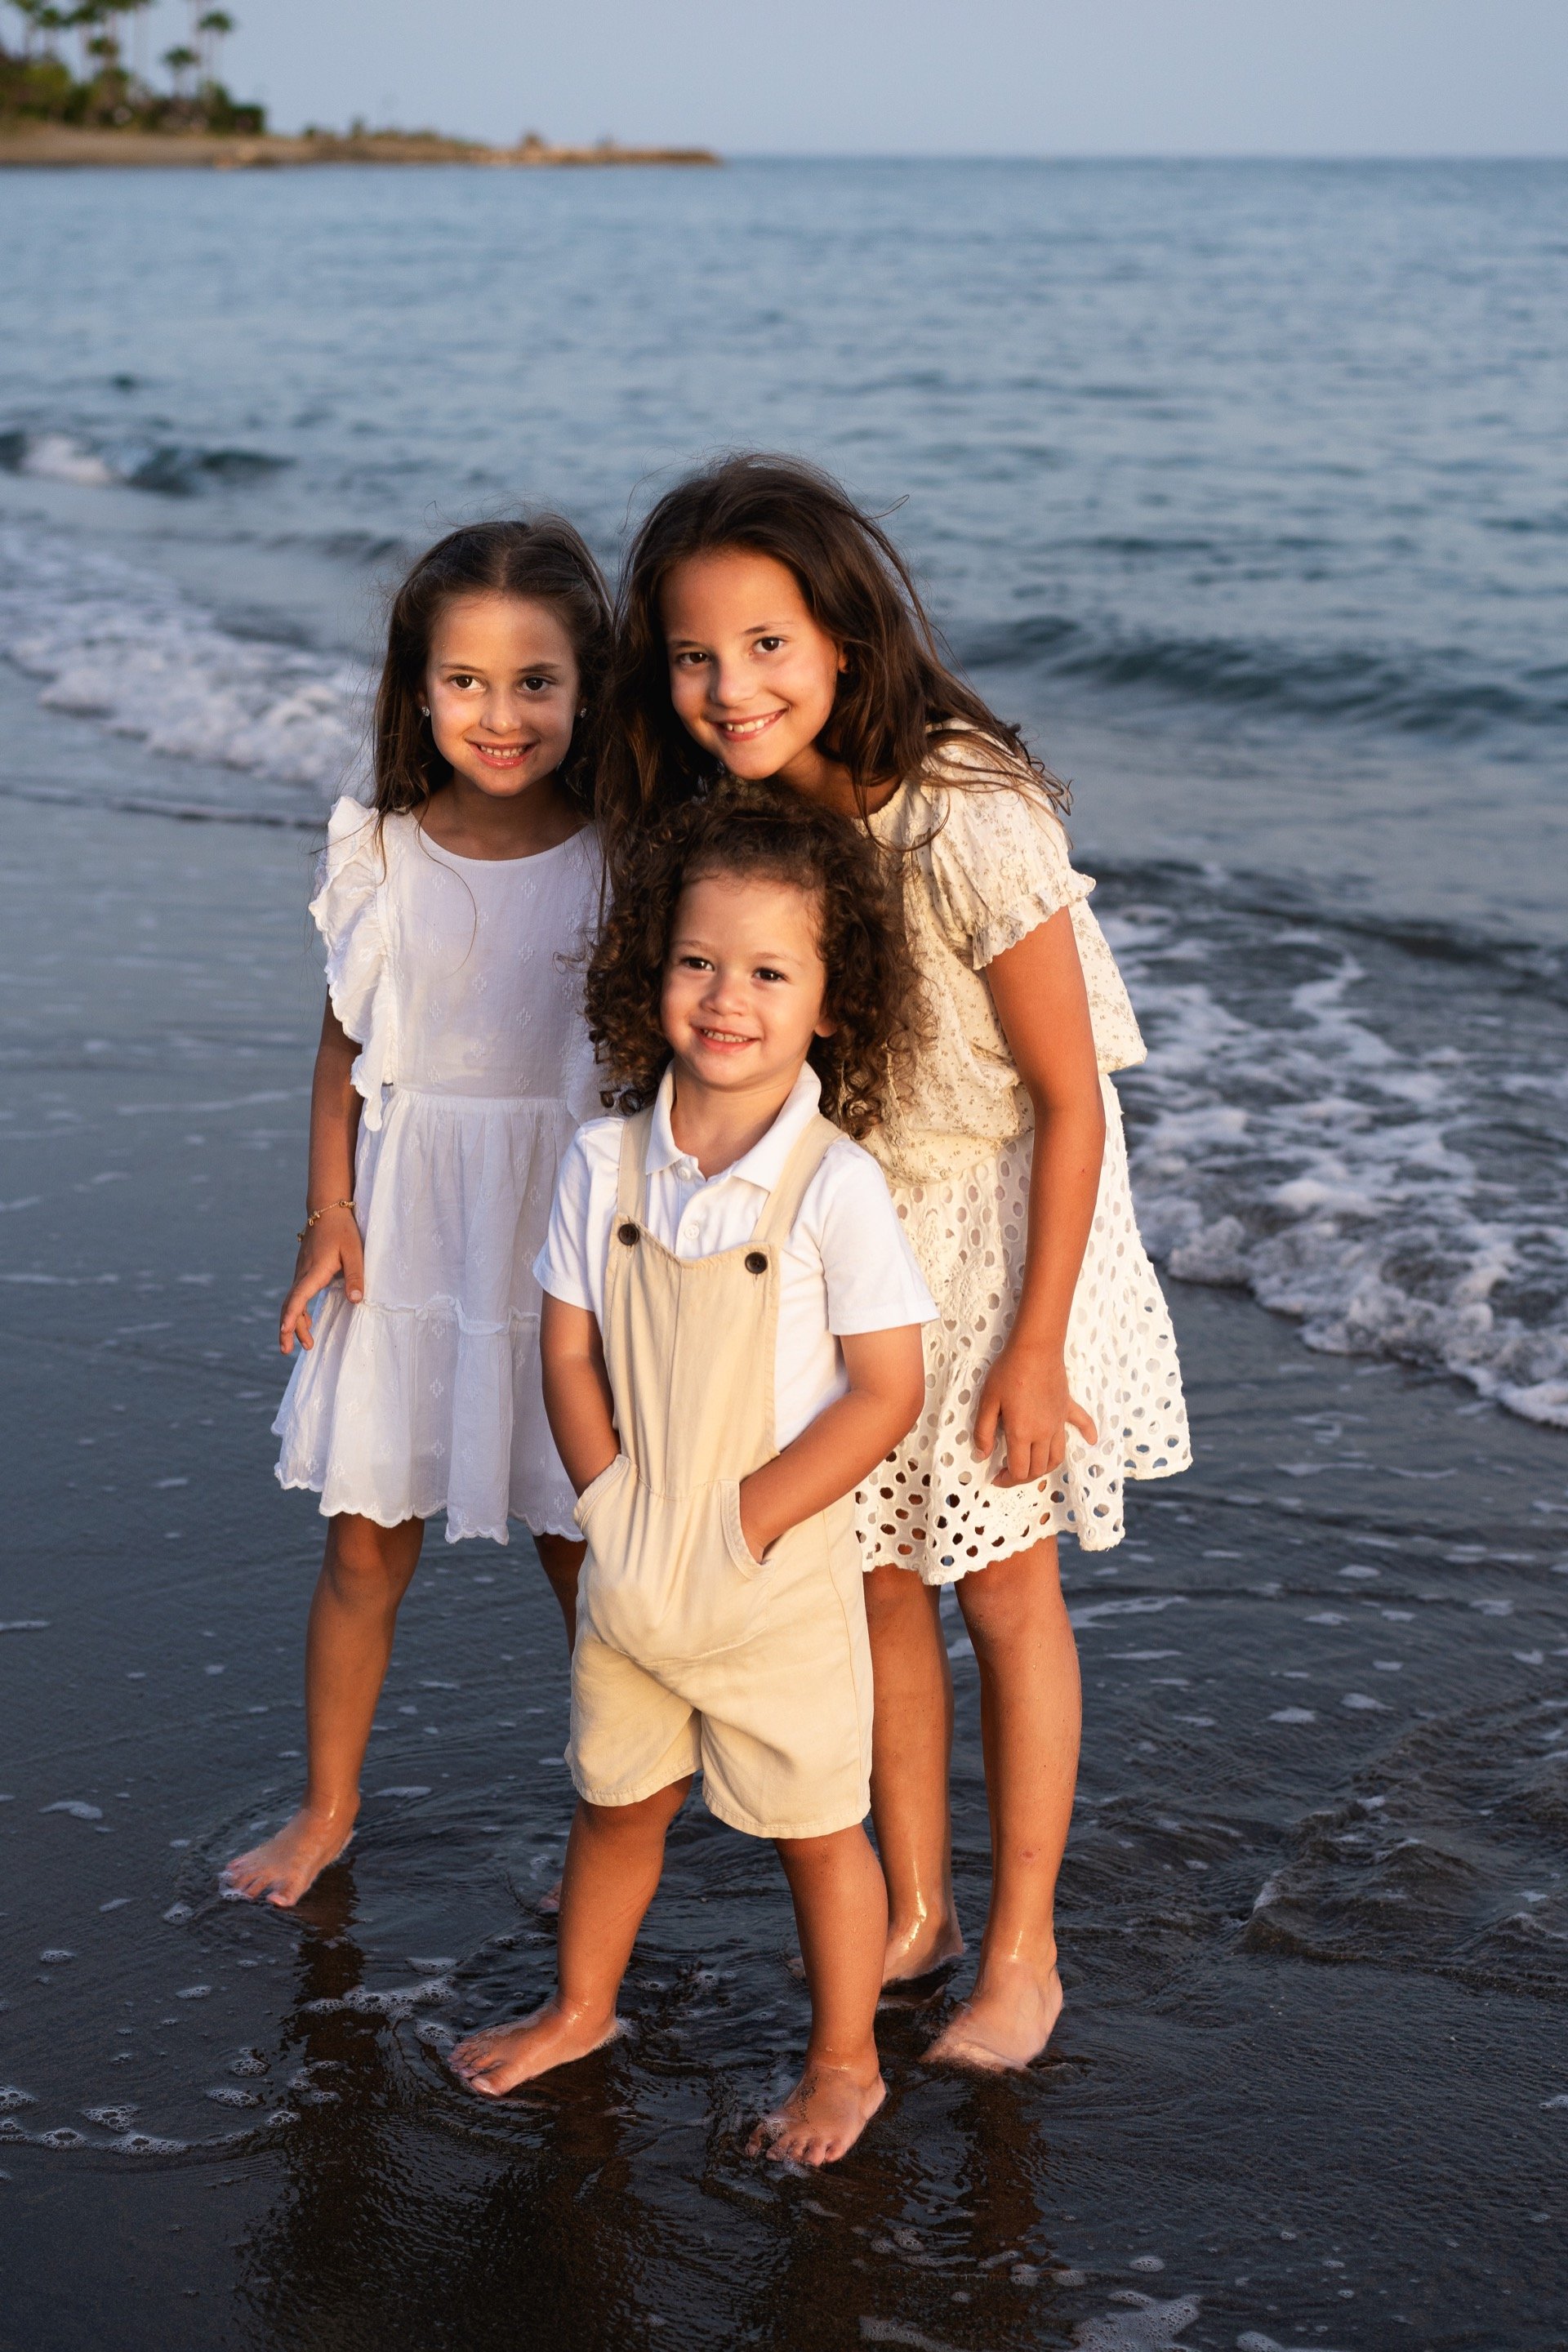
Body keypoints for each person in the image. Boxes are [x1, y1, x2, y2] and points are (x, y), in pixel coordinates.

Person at [597, 453, 1192, 2069]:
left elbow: (1071, 1103)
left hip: (1004, 1230)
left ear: (846, 639)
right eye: (696, 656)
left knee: (1003, 1587)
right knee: (871, 1581)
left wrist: (1037, 1344)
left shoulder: (968, 805)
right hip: (852, 1236)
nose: (733, 688)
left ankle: (1024, 1951)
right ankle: (916, 1906)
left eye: (770, 646)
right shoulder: (744, 813)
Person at [449, 786, 935, 2167]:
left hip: (773, 1568)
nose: (727, 998)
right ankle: (582, 2006)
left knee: (816, 1829)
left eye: (771, 972)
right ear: (651, 970)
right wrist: (607, 1501)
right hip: (632, 1551)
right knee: (613, 1800)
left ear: (833, 1003)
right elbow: (566, 1348)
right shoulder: (605, 1158)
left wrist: (749, 1520)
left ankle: (845, 2059)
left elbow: (888, 1390)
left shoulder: (835, 1185)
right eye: (698, 961)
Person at [225, 518, 610, 1909]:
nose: (499, 716)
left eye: (535, 683)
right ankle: (328, 1804)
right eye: (465, 682)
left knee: (590, 1543)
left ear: (589, 686)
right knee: (363, 1536)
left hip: (566, 1236)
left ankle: (620, 1807)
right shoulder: (379, 852)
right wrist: (326, 1208)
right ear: (415, 685)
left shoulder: (622, 855)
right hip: (408, 1225)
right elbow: (341, 1045)